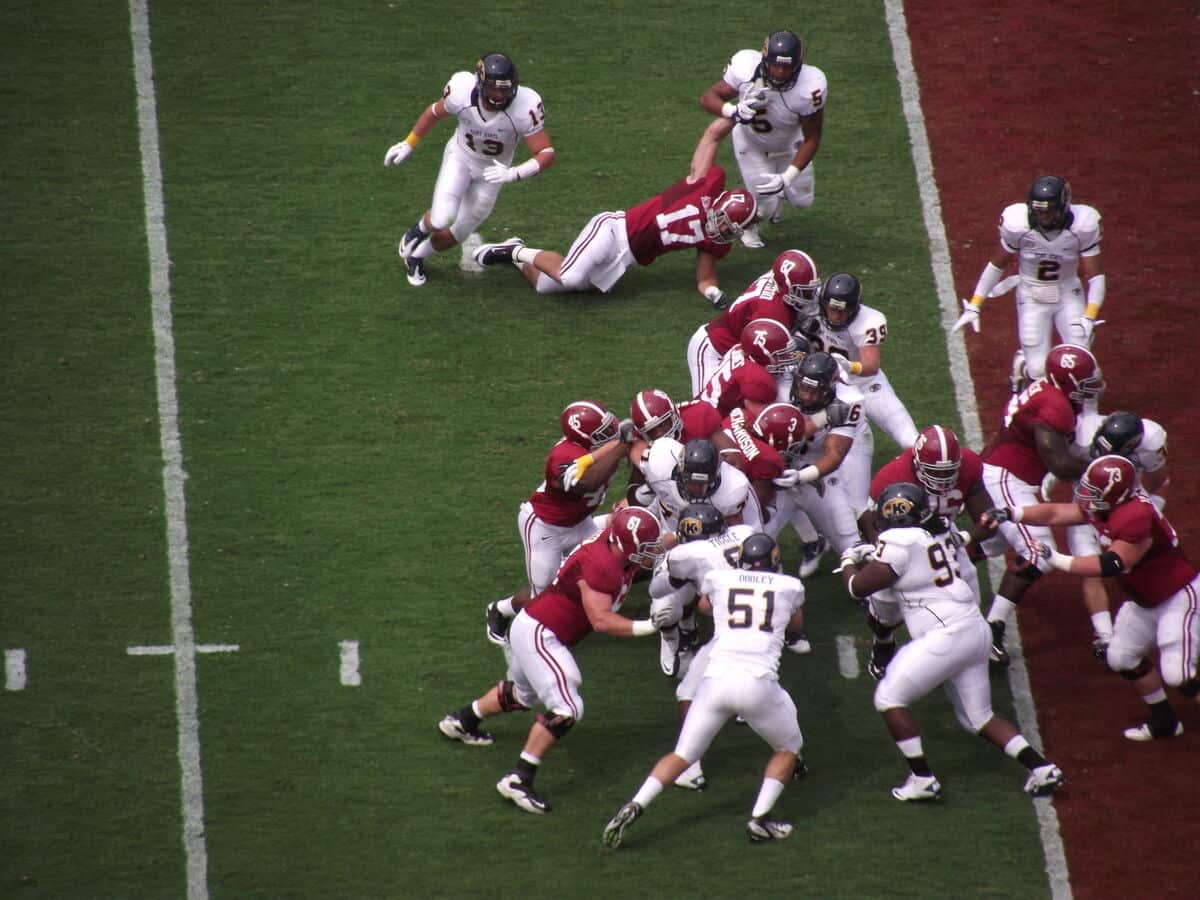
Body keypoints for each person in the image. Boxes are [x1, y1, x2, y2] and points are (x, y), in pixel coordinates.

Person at [839, 483, 1065, 801]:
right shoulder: (934, 536)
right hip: (975, 628)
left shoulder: (896, 541)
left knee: (888, 698)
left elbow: (857, 588)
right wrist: (874, 555)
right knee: (978, 717)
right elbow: (956, 541)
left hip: (946, 635)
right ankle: (1041, 768)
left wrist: (848, 559)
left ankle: (922, 779)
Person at [439, 506, 670, 814]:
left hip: (532, 626)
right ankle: (519, 779)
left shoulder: (614, 545)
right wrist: (649, 626)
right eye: (647, 547)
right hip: (541, 633)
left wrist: (683, 535)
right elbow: (601, 620)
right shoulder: (602, 566)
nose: (652, 553)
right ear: (627, 544)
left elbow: (645, 542)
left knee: (524, 695)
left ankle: (463, 721)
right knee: (568, 708)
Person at [603, 533, 806, 847]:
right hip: (757, 681)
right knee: (789, 747)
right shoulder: (790, 586)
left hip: (715, 679)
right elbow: (795, 625)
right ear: (774, 560)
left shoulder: (720, 579)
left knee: (683, 754)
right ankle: (760, 819)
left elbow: (704, 606)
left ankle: (636, 803)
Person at [986, 454, 1199, 741]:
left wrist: (1056, 558)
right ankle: (1165, 720)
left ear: (1116, 495)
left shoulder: (1137, 516)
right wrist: (1012, 513)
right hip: (1145, 600)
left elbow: (1113, 563)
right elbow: (1055, 513)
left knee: (1177, 674)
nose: (1086, 498)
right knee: (1122, 658)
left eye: (1094, 492)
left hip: (1178, 596)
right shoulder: (1110, 505)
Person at [472, 119, 756, 307]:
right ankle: (514, 252)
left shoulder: (714, 240)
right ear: (719, 205)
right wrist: (736, 114)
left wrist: (715, 294)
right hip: (613, 230)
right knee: (570, 276)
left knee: (547, 286)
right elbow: (712, 135)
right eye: (724, 222)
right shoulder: (701, 187)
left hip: (626, 259)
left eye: (730, 230)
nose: (722, 231)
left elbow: (705, 279)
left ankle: (515, 249)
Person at [384, 53, 555, 287]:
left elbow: (546, 153)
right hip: (460, 158)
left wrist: (514, 173)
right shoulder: (461, 91)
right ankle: (420, 228)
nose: (499, 95)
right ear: (480, 83)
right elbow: (434, 112)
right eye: (494, 89)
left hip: (494, 172)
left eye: (504, 89)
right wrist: (409, 143)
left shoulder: (525, 106)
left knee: (460, 232)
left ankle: (416, 256)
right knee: (442, 218)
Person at [979, 343, 1103, 664]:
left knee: (988, 544)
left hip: (1006, 474)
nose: (1090, 388)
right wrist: (1100, 466)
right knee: (1038, 554)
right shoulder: (1055, 405)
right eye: (1083, 382)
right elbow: (1060, 464)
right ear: (1067, 381)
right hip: (1006, 478)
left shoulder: (1050, 391)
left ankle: (925, 568)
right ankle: (990, 631)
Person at [485, 400, 634, 645]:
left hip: (579, 521)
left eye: (610, 426)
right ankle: (500, 610)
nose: (611, 432)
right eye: (603, 432)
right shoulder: (563, 456)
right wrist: (620, 448)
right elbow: (589, 482)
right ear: (584, 437)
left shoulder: (604, 444)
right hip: (546, 528)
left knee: (609, 555)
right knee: (543, 597)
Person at [953, 175, 1105, 392]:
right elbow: (996, 265)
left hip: (1068, 293)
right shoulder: (1019, 225)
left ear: (1063, 207)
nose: (1042, 216)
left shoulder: (1082, 227)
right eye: (1038, 211)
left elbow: (1096, 277)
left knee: (1081, 363)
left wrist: (1090, 314)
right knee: (1037, 371)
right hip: (1032, 295)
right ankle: (1022, 365)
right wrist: (975, 304)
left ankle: (1086, 411)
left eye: (1048, 211)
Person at [863, 424, 994, 677]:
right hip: (900, 545)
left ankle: (970, 649)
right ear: (917, 463)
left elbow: (986, 519)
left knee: (969, 600)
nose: (943, 479)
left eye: (949, 471)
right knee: (885, 610)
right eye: (935, 472)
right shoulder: (892, 477)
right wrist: (880, 550)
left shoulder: (969, 465)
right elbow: (871, 521)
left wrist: (962, 538)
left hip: (944, 540)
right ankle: (884, 642)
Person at [647, 503, 756, 788]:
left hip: (729, 635)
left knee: (688, 692)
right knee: (765, 697)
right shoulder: (745, 532)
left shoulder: (689, 553)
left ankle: (690, 767)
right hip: (763, 627)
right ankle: (793, 756)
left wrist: (668, 566)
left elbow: (656, 589)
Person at [1053, 410, 1170, 656]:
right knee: (1090, 568)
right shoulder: (1084, 429)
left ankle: (1171, 609)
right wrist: (1052, 476)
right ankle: (1105, 636)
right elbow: (1061, 461)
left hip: (1126, 502)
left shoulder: (1150, 442)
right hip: (1090, 500)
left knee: (1138, 563)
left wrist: (1151, 507)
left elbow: (1160, 480)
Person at [699, 30, 827, 249]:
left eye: (787, 67)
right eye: (775, 65)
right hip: (753, 146)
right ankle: (749, 226)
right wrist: (732, 111)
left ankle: (781, 194)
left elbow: (812, 138)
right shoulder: (745, 67)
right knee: (764, 207)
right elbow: (707, 98)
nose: (780, 72)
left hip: (791, 146)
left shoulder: (811, 85)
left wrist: (787, 177)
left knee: (803, 200)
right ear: (765, 59)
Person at [800, 272, 918, 451]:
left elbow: (871, 366)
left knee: (909, 440)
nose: (835, 316)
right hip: (821, 386)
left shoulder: (868, 321)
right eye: (832, 309)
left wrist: (849, 367)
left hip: (864, 384)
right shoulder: (809, 308)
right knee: (798, 435)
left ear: (854, 308)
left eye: (842, 311)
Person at [686, 249, 821, 394]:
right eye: (804, 292)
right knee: (711, 403)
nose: (810, 296)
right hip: (715, 350)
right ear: (784, 285)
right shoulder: (771, 312)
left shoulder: (777, 281)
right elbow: (766, 358)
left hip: (742, 347)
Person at [694, 318, 805, 419]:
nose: (785, 358)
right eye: (779, 355)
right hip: (711, 424)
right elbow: (768, 421)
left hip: (701, 407)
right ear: (762, 354)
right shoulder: (758, 379)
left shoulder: (739, 349)